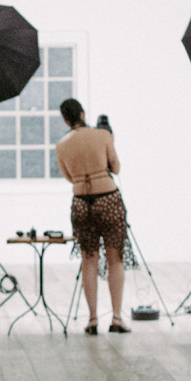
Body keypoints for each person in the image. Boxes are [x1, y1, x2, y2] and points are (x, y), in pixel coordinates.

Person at [56, 99, 131, 334]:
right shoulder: (103, 136)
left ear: (65, 120)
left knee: (88, 259)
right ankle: (116, 318)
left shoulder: (61, 145)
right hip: (108, 199)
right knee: (115, 258)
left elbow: (69, 177)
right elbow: (116, 168)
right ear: (82, 113)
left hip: (81, 202)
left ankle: (92, 320)